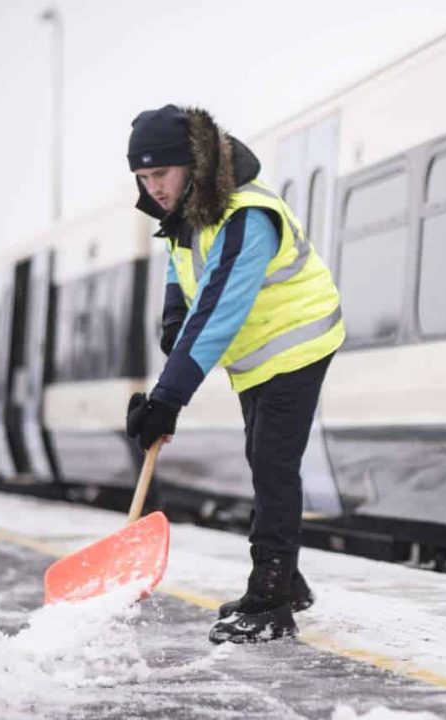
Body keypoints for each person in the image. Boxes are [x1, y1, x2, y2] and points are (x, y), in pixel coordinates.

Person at [122, 104, 345, 644]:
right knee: (261, 458)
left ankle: (271, 599)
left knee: (272, 464)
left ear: (192, 164)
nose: (154, 188)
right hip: (256, 359)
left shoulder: (247, 213)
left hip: (299, 341)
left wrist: (167, 399)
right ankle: (286, 580)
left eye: (161, 174)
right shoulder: (187, 210)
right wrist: (174, 314)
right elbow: (186, 273)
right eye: (143, 178)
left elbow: (220, 308)